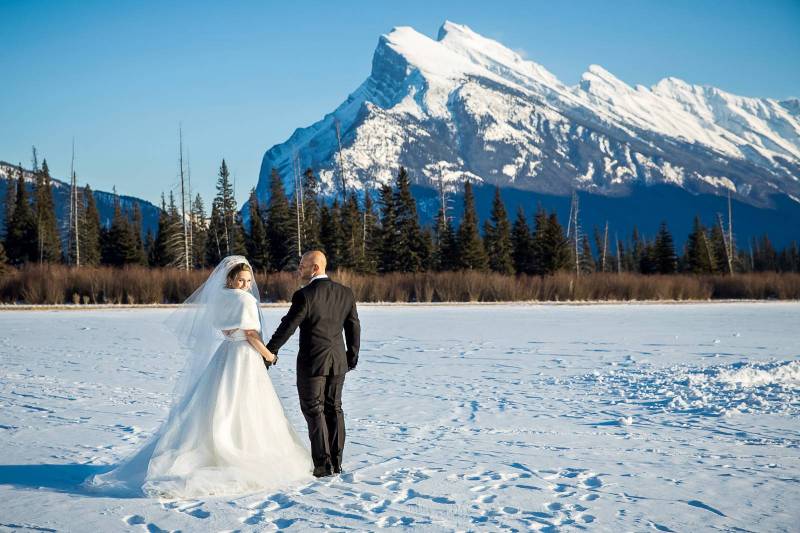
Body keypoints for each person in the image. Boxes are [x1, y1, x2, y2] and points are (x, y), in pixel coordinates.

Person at [85, 256, 313, 498]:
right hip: (244, 357)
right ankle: (241, 450)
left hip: (226, 353)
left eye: (248, 281)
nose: (246, 285)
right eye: (241, 280)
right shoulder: (245, 300)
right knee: (246, 404)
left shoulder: (221, 297)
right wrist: (269, 355)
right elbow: (250, 334)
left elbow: (224, 328)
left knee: (218, 402)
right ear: (231, 279)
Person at [266, 250, 360, 478]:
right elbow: (354, 326)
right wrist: (351, 356)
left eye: (302, 265)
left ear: (315, 268)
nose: (299, 269)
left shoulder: (305, 295)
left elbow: (288, 326)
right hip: (338, 361)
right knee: (334, 408)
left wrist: (269, 352)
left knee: (314, 409)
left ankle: (322, 464)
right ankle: (336, 462)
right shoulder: (345, 293)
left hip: (312, 363)